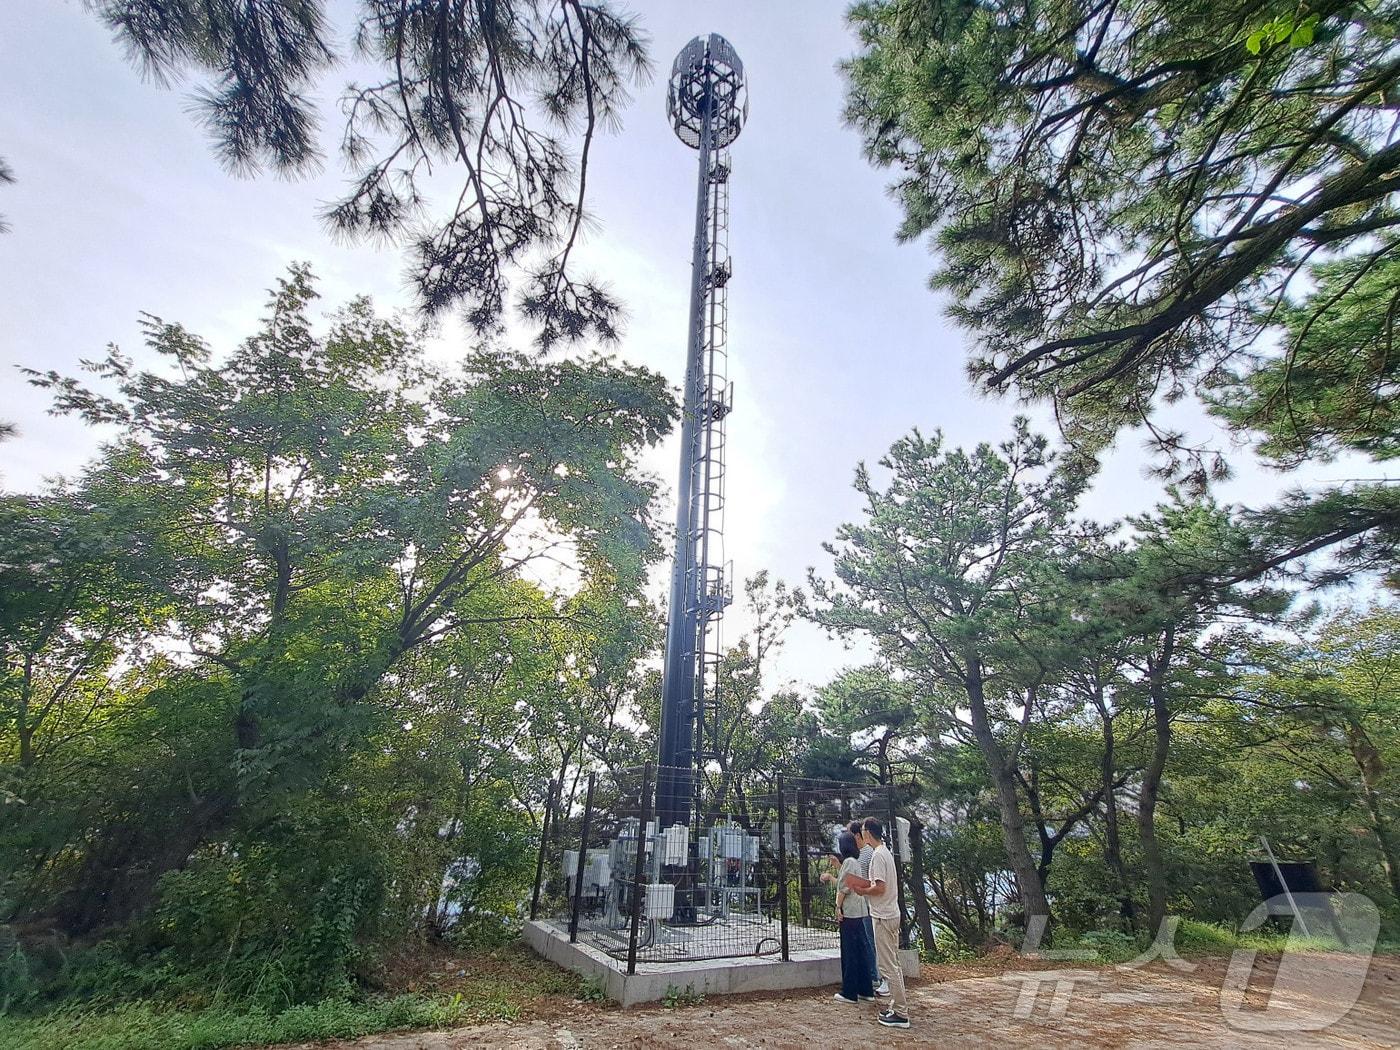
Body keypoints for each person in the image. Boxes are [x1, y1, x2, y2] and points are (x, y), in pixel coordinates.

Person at [848, 817, 910, 1028]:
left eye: (863, 831)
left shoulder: (877, 856)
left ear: (867, 833)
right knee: (893, 963)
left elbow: (880, 887)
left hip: (883, 915)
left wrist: (862, 890)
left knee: (887, 965)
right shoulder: (885, 853)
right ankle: (897, 1007)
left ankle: (901, 1013)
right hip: (890, 912)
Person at [830, 831, 876, 1004]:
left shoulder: (849, 862)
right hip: (860, 911)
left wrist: (838, 907)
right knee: (861, 950)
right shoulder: (854, 862)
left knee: (849, 952)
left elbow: (844, 888)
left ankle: (849, 992)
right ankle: (866, 990)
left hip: (850, 911)